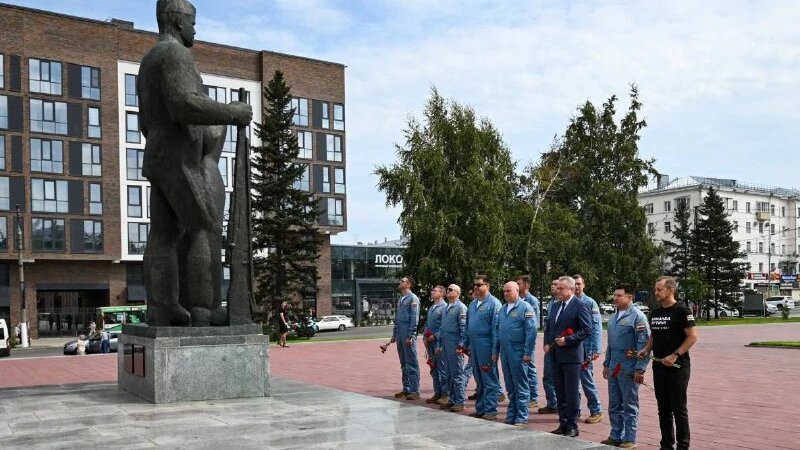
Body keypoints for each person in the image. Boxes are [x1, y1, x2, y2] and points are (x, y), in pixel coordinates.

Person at [138, 0, 253, 326]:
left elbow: (148, 118)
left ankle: (164, 307)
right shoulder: (175, 55)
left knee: (163, 233)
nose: (195, 28)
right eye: (192, 21)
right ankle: (203, 307)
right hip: (181, 159)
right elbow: (183, 104)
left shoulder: (148, 62)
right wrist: (232, 113)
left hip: (158, 155)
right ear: (177, 22)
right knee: (203, 228)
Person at [640, 276, 698, 450]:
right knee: (663, 408)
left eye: (659, 289)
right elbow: (654, 335)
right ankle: (666, 445)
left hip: (678, 368)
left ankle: (683, 446)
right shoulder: (655, 312)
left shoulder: (682, 310)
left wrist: (675, 355)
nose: (656, 293)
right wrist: (646, 349)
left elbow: (692, 337)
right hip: (659, 367)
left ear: (671, 290)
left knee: (678, 408)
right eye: (655, 290)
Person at [601, 284, 650, 449]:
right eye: (614, 295)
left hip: (629, 366)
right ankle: (615, 435)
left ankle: (629, 438)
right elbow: (611, 344)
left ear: (630, 297)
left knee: (629, 404)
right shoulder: (614, 317)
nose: (615, 298)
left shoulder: (638, 317)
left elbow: (644, 345)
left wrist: (640, 368)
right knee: (614, 403)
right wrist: (606, 364)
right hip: (614, 364)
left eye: (619, 295)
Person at [544, 276, 592, 438]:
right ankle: (563, 423)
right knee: (560, 391)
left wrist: (568, 340)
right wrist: (547, 342)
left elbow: (586, 329)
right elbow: (549, 327)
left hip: (572, 356)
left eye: (561, 288)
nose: (557, 291)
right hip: (556, 354)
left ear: (571, 290)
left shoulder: (580, 305)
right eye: (557, 288)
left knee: (571, 393)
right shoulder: (555, 306)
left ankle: (572, 426)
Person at [493, 281, 536, 428]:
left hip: (518, 352)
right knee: (510, 386)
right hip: (505, 352)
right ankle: (512, 415)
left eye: (508, 291)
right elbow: (498, 332)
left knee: (521, 386)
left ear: (517, 291)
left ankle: (522, 417)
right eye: (504, 291)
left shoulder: (525, 307)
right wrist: (495, 351)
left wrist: (528, 352)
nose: (505, 293)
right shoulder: (503, 309)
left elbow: (531, 332)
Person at [463, 275, 502, 420]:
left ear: (488, 286)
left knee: (489, 378)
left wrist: (494, 350)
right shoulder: (473, 304)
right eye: (475, 285)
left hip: (486, 344)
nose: (476, 288)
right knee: (478, 378)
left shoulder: (494, 304)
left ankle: (491, 410)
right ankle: (480, 408)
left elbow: (495, 329)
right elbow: (468, 326)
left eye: (479, 285)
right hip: (474, 344)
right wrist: (466, 344)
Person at [574, 274, 604, 424]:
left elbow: (596, 327)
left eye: (579, 284)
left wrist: (595, 349)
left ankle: (596, 410)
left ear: (584, 285)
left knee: (586, 380)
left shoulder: (589, 302)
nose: (577, 287)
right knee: (573, 381)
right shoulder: (569, 302)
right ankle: (575, 410)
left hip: (586, 349)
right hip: (572, 348)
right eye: (574, 284)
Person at [436, 284, 468, 412]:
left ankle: (460, 402)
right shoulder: (445, 308)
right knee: (448, 374)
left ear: (457, 293)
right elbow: (441, 328)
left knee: (457, 374)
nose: (448, 291)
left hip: (455, 345)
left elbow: (463, 328)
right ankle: (452, 400)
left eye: (450, 290)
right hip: (445, 344)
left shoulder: (461, 307)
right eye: (447, 289)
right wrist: (439, 344)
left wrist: (461, 345)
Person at [392, 276, 421, 400]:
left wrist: (411, 335)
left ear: (408, 284)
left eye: (402, 281)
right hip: (400, 333)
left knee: (411, 362)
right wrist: (394, 334)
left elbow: (414, 318)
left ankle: (415, 390)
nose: (400, 282)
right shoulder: (401, 299)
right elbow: (398, 318)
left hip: (407, 334)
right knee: (403, 362)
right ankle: (406, 388)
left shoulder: (413, 298)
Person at [516, 275, 541, 409]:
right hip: (518, 340)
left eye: (519, 284)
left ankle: (534, 397)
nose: (517, 286)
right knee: (522, 368)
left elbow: (533, 324)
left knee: (530, 367)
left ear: (526, 285)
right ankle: (525, 394)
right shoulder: (518, 300)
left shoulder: (532, 300)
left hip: (527, 340)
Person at [538, 279, 560, 414]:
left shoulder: (573, 304)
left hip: (563, 346)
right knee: (548, 377)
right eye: (551, 284)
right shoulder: (551, 304)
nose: (553, 287)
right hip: (550, 346)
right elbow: (547, 327)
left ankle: (572, 409)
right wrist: (546, 343)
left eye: (556, 285)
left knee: (566, 380)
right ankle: (552, 403)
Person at [424, 286, 448, 404]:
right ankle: (437, 393)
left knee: (442, 368)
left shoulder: (444, 307)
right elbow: (428, 324)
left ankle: (445, 394)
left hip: (439, 342)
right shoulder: (432, 307)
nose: (432, 292)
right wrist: (425, 336)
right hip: (430, 342)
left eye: (435, 291)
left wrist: (436, 336)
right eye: (432, 290)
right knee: (433, 368)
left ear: (442, 293)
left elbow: (444, 326)